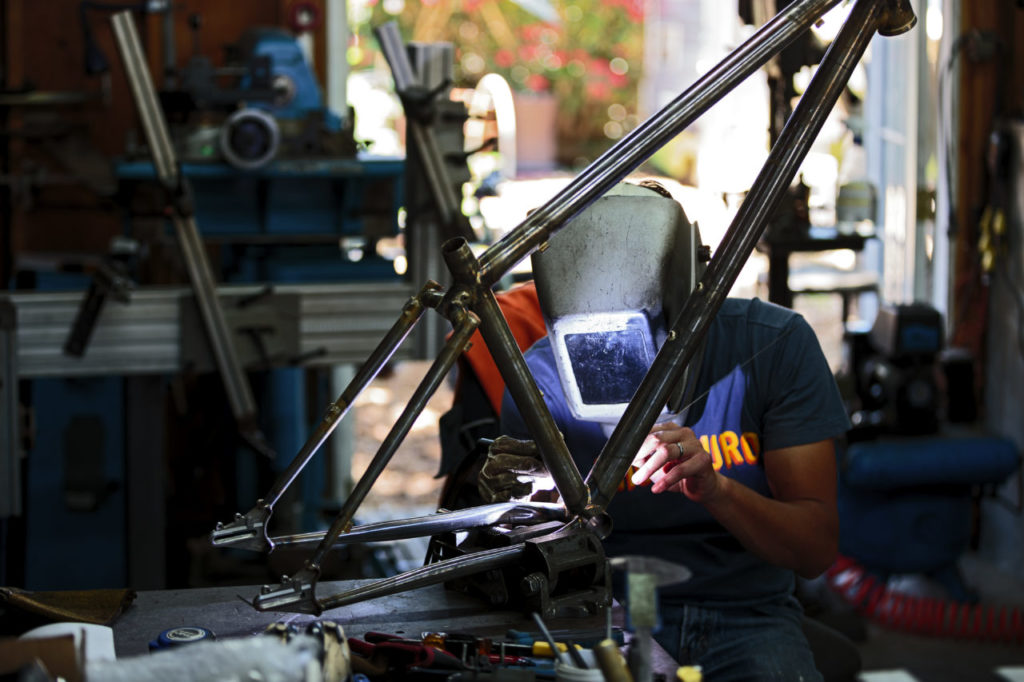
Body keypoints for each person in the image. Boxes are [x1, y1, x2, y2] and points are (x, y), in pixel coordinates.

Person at [479, 181, 852, 682]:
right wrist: (522, 516)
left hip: (744, 614)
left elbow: (813, 551)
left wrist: (716, 491)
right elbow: (529, 554)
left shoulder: (775, 347)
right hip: (606, 615)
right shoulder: (539, 379)